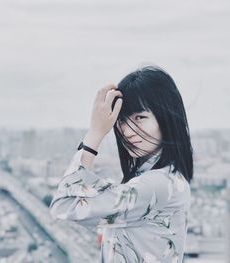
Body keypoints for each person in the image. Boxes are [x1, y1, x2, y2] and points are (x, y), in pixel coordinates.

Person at [49, 65, 193, 262]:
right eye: (121, 120)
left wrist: (95, 134)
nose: (127, 130)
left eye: (140, 117)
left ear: (166, 117)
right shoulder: (166, 179)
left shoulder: (157, 185)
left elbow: (63, 206)